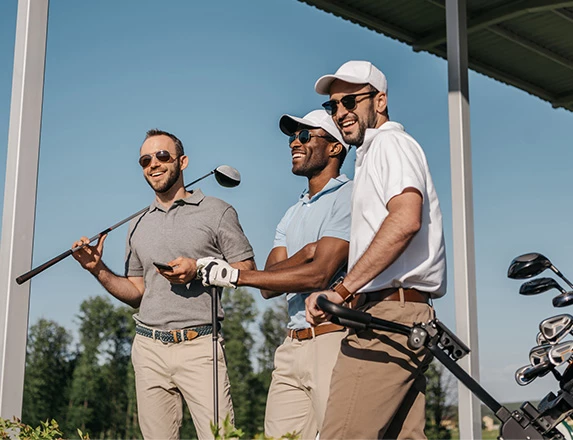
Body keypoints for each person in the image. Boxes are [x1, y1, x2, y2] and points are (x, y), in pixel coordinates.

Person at [71, 129, 255, 440]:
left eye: (162, 156)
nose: (153, 164)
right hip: (148, 347)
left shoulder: (217, 211)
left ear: (182, 161)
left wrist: (198, 269)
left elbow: (246, 269)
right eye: (145, 160)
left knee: (221, 437)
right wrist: (97, 268)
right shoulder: (137, 223)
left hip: (200, 345)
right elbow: (136, 293)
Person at [305, 60, 447, 439]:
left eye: (350, 101)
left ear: (379, 100)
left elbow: (405, 221)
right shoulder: (372, 153)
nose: (341, 113)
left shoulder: (390, 143)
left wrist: (341, 290)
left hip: (389, 316)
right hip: (400, 313)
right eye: (332, 106)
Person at [197, 110, 352, 439]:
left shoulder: (350, 196)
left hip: (334, 340)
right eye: (293, 137)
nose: (295, 142)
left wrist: (236, 276)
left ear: (336, 147)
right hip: (291, 346)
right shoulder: (292, 213)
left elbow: (318, 275)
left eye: (306, 136)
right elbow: (269, 284)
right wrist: (305, 253)